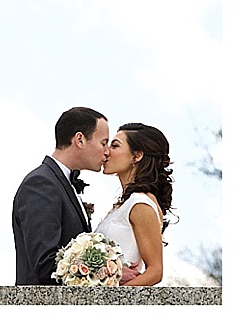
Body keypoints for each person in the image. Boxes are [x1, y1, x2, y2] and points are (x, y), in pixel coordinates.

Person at [12, 107, 110, 285]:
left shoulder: (61, 183)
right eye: (104, 143)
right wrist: (106, 270)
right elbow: (45, 263)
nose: (107, 152)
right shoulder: (41, 184)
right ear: (79, 139)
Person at [95, 123, 175, 286]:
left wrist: (111, 299)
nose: (107, 151)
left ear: (137, 156)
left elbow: (155, 272)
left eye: (115, 146)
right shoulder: (124, 204)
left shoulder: (140, 204)